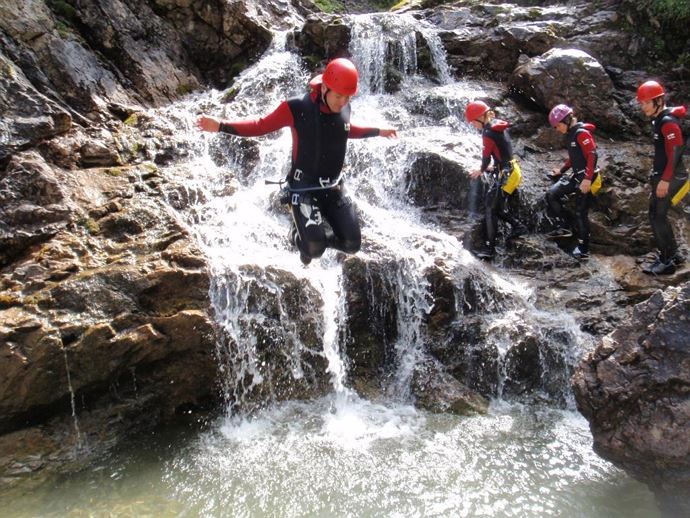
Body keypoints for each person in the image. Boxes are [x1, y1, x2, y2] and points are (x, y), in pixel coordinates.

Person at [197, 58, 397, 265]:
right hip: (304, 189)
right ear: (324, 87)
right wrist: (220, 125)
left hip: (333, 187)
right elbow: (260, 125)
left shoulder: (344, 107)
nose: (342, 102)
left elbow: (345, 129)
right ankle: (298, 234)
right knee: (314, 249)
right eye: (338, 96)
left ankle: (316, 230)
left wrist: (378, 131)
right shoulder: (296, 108)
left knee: (352, 244)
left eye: (347, 97)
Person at [636, 80, 688, 275]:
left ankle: (667, 261)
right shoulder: (659, 119)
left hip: (673, 176)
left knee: (658, 216)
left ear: (658, 101)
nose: (643, 107)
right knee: (655, 214)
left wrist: (665, 180)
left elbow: (676, 152)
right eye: (641, 103)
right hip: (664, 175)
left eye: (646, 102)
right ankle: (673, 254)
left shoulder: (668, 123)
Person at [465, 100, 527, 260]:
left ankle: (490, 249)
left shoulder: (488, 132)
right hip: (511, 170)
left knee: (490, 208)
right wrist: (495, 166)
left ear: (480, 117)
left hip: (506, 174)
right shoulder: (496, 125)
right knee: (495, 207)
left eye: (473, 122)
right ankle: (518, 226)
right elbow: (502, 151)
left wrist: (481, 169)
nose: (473, 125)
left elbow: (486, 157)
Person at [545, 104, 600, 260]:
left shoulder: (582, 134)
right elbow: (574, 157)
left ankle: (583, 249)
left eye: (558, 126)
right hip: (577, 176)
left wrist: (587, 180)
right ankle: (564, 227)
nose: (557, 129)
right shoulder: (571, 134)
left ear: (567, 120)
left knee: (580, 213)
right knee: (552, 194)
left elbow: (592, 155)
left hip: (587, 178)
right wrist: (561, 170)